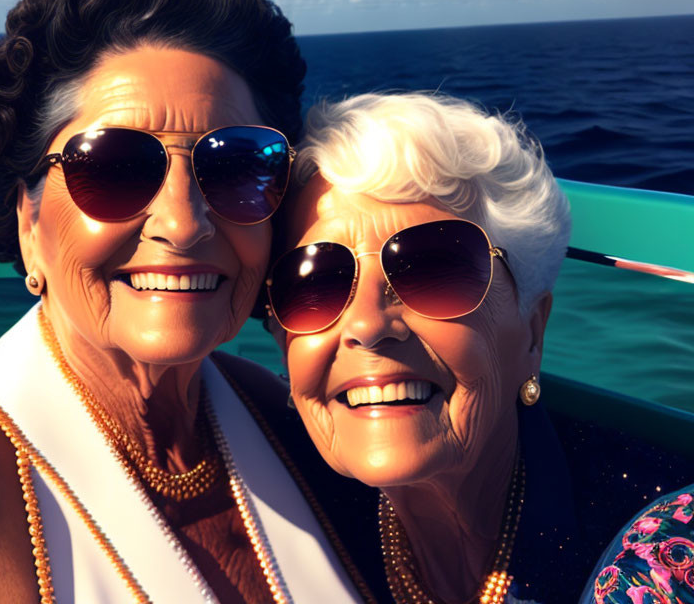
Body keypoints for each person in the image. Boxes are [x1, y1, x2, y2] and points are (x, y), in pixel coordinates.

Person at [0, 0, 381, 604]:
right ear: (28, 220)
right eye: (116, 167)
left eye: (238, 165)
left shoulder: (284, 417)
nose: (183, 223)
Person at [264, 92, 694, 602]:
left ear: (532, 333)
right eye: (315, 284)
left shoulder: (655, 559)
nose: (367, 325)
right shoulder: (278, 503)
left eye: (437, 271)